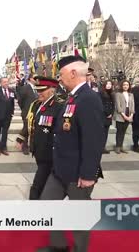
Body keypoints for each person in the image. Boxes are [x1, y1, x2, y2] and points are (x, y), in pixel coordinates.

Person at [37, 56, 104, 252]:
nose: (59, 79)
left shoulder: (88, 99)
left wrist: (89, 174)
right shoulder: (72, 96)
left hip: (78, 174)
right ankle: (58, 245)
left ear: (73, 73)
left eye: (61, 74)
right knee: (48, 205)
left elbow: (93, 141)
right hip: (60, 169)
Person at [16, 76, 63, 200]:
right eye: (37, 90)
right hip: (38, 151)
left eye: (42, 90)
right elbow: (30, 123)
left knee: (37, 186)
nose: (39, 93)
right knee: (45, 183)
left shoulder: (58, 106)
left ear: (52, 90)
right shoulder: (36, 105)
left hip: (49, 154)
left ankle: (34, 209)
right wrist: (21, 137)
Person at [15, 74, 38, 155]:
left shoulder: (37, 88)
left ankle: (31, 146)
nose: (37, 79)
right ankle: (24, 146)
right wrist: (24, 110)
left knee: (33, 129)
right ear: (31, 79)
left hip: (36, 113)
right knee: (27, 128)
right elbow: (20, 101)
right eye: (35, 78)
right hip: (27, 113)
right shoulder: (25, 88)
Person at [114, 80, 135, 154]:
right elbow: (118, 106)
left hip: (128, 112)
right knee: (119, 131)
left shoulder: (131, 94)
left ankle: (121, 146)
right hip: (120, 114)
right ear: (121, 86)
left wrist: (131, 115)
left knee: (124, 131)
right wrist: (124, 115)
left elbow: (132, 105)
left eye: (127, 85)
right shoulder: (118, 94)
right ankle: (118, 146)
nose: (125, 86)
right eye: (124, 85)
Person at [100, 80, 115, 154]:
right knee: (101, 133)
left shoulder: (112, 94)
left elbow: (113, 105)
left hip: (109, 116)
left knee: (106, 133)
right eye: (107, 84)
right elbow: (101, 105)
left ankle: (103, 147)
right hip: (103, 116)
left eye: (110, 84)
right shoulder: (101, 93)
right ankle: (100, 147)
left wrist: (111, 113)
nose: (109, 85)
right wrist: (107, 113)